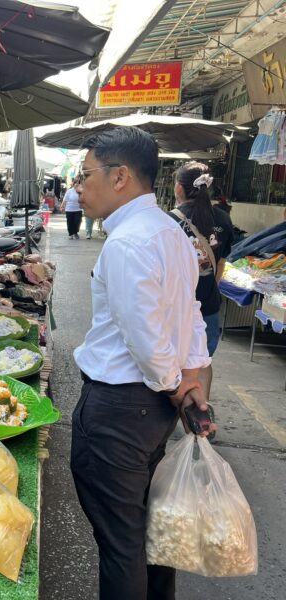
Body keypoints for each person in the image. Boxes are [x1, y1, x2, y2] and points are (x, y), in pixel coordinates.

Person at [72, 126, 215, 600]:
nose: (77, 185)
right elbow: (189, 314)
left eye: (84, 173)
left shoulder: (129, 243)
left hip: (119, 411)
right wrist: (190, 379)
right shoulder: (170, 234)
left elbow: (147, 339)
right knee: (147, 533)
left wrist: (177, 382)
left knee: (121, 544)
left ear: (120, 177)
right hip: (151, 411)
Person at [169, 162, 234, 401]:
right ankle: (199, 414)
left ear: (179, 188)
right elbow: (220, 266)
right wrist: (207, 291)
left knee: (171, 361)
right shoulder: (224, 220)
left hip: (174, 307)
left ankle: (172, 414)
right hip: (208, 305)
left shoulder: (169, 222)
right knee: (202, 360)